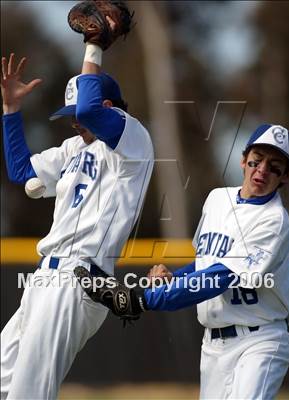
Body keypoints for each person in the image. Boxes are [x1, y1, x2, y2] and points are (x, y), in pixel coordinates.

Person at [80, 124, 289, 399]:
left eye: (275, 166)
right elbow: (204, 265)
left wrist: (144, 299)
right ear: (244, 160)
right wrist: (173, 280)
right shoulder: (217, 199)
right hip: (213, 346)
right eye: (257, 159)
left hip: (260, 341)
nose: (263, 170)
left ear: (286, 176)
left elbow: (220, 277)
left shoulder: (274, 221)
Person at [0, 27, 153, 400]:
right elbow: (21, 171)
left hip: (79, 278)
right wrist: (11, 110)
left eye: (78, 113)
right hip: (44, 280)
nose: (74, 120)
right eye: (70, 115)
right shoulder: (74, 149)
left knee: (29, 393)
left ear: (108, 107)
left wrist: (94, 46)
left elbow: (88, 108)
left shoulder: (132, 141)